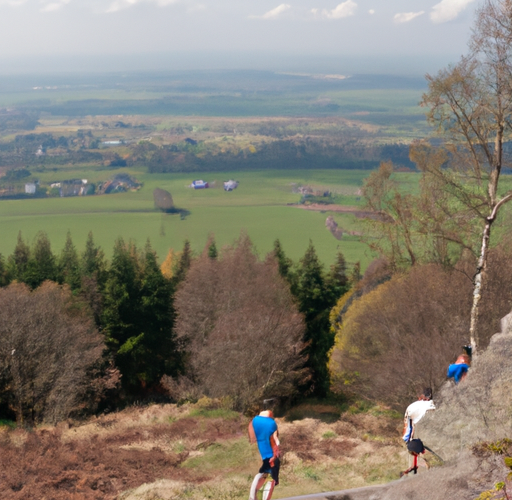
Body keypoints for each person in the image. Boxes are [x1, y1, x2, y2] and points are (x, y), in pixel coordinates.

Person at [401, 388, 435, 477]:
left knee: (416, 454)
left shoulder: (411, 407)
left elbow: (407, 425)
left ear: (419, 397)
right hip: (432, 439)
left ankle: (415, 470)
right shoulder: (432, 405)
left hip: (415, 439)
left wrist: (406, 439)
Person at [248, 410, 281, 500]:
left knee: (263, 472)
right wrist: (275, 454)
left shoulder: (255, 421)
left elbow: (252, 438)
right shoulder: (271, 424)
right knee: (272, 479)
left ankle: (252, 496)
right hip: (272, 456)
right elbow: (275, 439)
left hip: (264, 454)